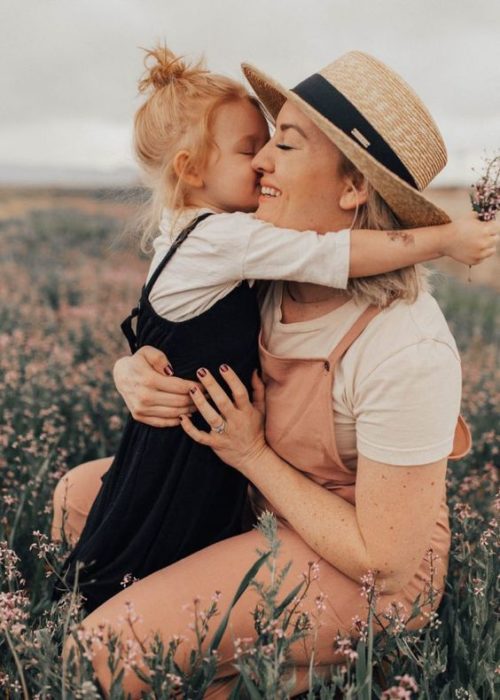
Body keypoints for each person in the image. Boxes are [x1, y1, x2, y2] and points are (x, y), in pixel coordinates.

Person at [60, 51, 498, 698]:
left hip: (364, 570)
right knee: (75, 500)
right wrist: (136, 370)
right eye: (260, 142)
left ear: (353, 188)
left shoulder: (405, 345)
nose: (261, 161)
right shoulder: (259, 276)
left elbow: (385, 558)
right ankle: (271, 668)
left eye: (284, 144)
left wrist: (252, 454)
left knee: (89, 659)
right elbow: (175, 320)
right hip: (257, 507)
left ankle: (331, 663)